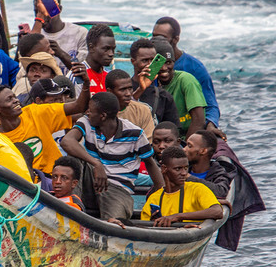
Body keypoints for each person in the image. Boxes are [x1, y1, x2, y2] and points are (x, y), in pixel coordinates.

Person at [61, 91, 162, 222]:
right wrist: (97, 164)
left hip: (117, 188)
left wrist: (162, 195)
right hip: (92, 182)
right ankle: (72, 208)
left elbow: (150, 163)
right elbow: (67, 142)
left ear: (102, 116)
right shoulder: (86, 122)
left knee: (114, 224)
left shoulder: (135, 133)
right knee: (74, 159)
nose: (87, 113)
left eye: (91, 111)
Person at [0, 67, 90, 176]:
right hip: (28, 187)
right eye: (9, 99)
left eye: (14, 97)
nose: (16, 100)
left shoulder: (34, 112)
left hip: (55, 179)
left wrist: (86, 84)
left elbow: (79, 106)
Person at [152, 16, 221, 129]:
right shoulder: (150, 64)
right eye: (154, 36)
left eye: (163, 37)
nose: (157, 40)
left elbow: (211, 105)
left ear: (175, 39)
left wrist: (210, 124)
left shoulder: (195, 68)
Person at [142, 147, 223, 228]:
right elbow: (145, 228)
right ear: (164, 169)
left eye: (186, 168)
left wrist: (178, 216)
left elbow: (217, 211)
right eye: (178, 169)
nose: (184, 173)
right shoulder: (154, 199)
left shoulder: (198, 189)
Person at [150, 40, 207, 139]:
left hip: (184, 138)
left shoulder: (186, 80)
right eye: (160, 63)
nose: (164, 68)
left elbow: (199, 120)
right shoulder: (149, 83)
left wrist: (186, 147)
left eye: (168, 63)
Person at [29, 0, 88, 69]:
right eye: (38, 12)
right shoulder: (34, 36)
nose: (42, 16)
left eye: (46, 11)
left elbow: (84, 69)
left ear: (59, 9)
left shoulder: (79, 33)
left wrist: (61, 54)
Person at [128, 38, 181, 127]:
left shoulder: (164, 97)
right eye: (144, 60)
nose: (149, 65)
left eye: (153, 60)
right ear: (133, 61)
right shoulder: (123, 89)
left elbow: (172, 129)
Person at [106, 69, 154, 141]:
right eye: (122, 89)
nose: (128, 93)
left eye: (130, 88)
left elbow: (148, 141)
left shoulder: (142, 110)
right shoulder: (100, 113)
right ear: (110, 91)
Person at [184, 130, 231, 198]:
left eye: (189, 146)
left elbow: (221, 192)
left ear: (203, 151)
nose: (184, 149)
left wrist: (189, 178)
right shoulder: (182, 169)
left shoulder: (218, 173)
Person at [84, 24, 116, 95]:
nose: (111, 54)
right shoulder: (78, 76)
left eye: (113, 49)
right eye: (106, 49)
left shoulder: (110, 76)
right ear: (91, 48)